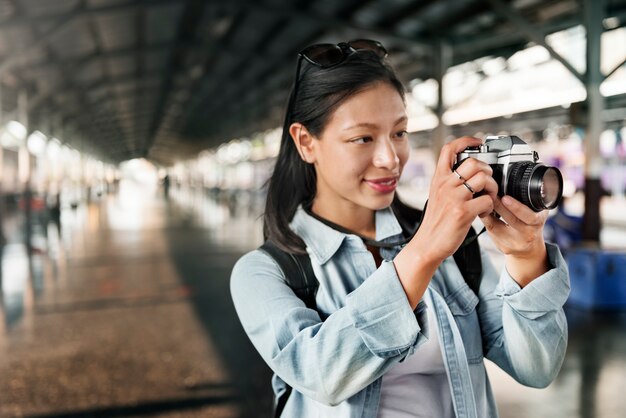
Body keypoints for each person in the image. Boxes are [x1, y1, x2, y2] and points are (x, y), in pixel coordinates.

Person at [230, 39, 570, 418]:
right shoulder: (265, 272)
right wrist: (423, 251)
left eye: (400, 133)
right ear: (306, 142)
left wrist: (526, 258)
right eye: (363, 138)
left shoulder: (456, 248)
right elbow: (323, 376)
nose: (390, 158)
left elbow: (537, 370)